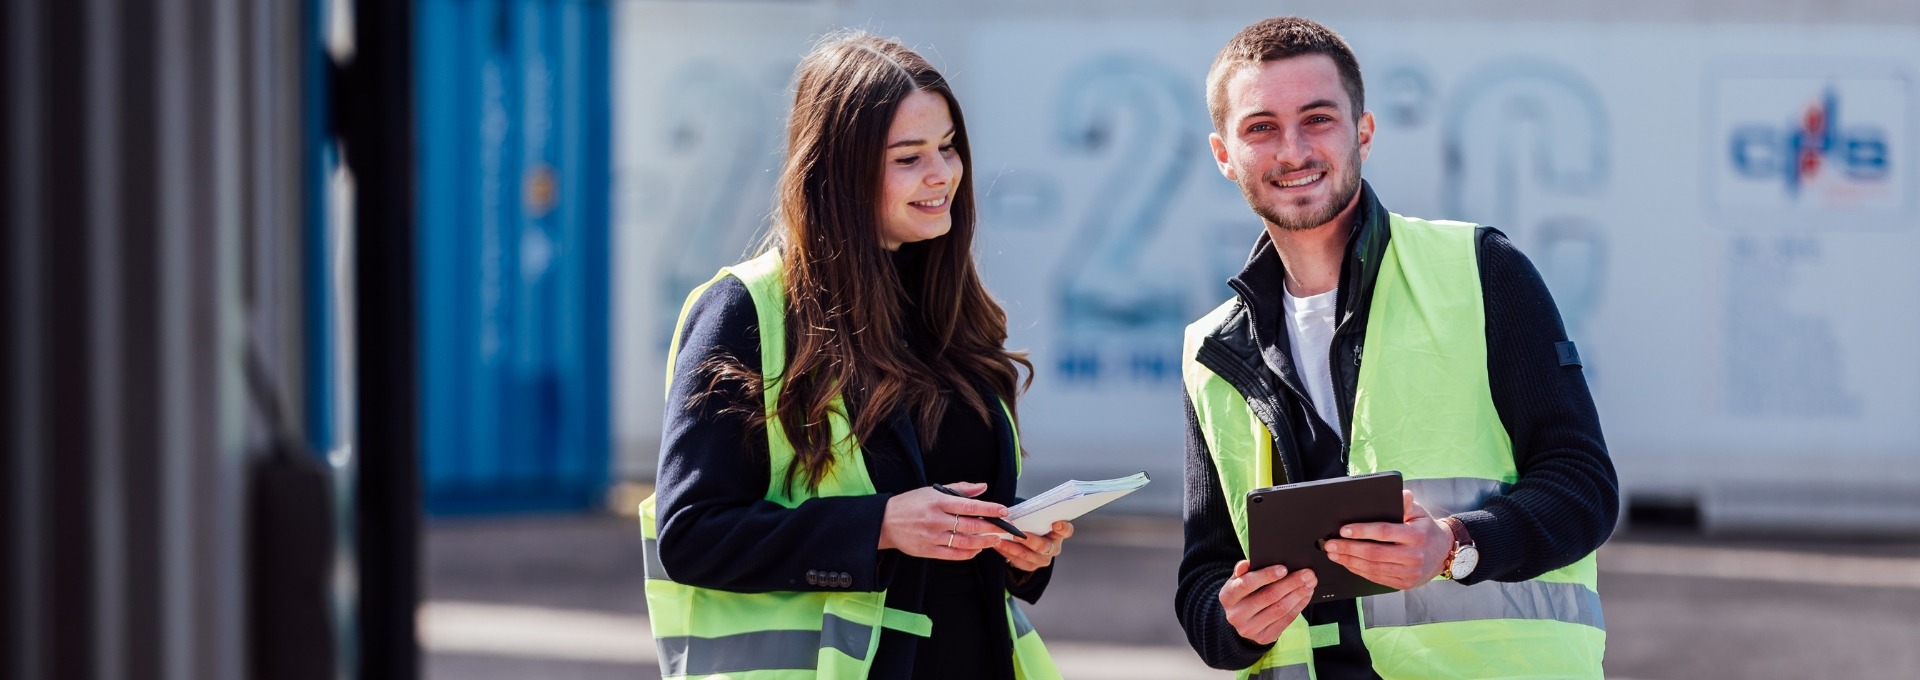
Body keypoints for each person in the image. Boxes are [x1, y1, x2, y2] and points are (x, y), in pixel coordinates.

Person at [1175, 17, 1618, 680]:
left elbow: (1584, 487)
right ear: (1223, 154)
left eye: (1318, 118)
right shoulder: (1213, 350)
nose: (1292, 150)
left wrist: (1454, 545)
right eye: (1260, 126)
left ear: (1364, 132)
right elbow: (1204, 579)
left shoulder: (1481, 270)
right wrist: (1233, 620)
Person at [638, 32, 1070, 680]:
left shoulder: (952, 313)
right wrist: (880, 525)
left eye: (948, 147)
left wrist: (1020, 550)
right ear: (839, 169)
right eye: (909, 157)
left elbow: (959, 535)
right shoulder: (745, 313)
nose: (942, 174)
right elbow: (692, 537)